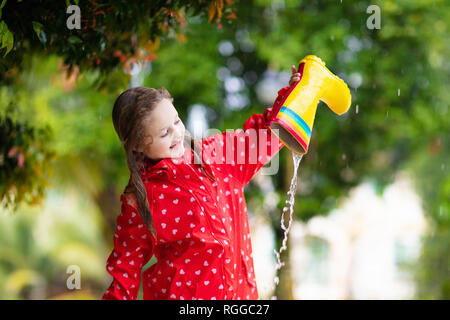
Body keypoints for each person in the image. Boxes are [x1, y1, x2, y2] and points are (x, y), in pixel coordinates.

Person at [102, 66, 301, 300]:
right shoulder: (142, 198)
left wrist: (293, 94)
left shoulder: (217, 156)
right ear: (136, 144)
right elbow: (126, 267)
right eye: (164, 133)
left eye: (176, 121)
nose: (177, 133)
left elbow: (265, 134)